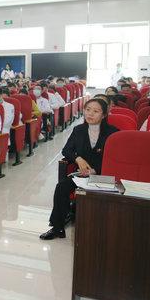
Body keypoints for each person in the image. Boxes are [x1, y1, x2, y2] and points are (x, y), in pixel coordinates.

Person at [40, 99, 119, 240]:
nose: (90, 114)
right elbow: (66, 150)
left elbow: (116, 159)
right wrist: (78, 159)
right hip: (82, 175)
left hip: (104, 176)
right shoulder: (79, 130)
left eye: (95, 111)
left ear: (104, 115)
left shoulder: (113, 133)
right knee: (61, 187)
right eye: (88, 109)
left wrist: (95, 171)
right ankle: (57, 227)